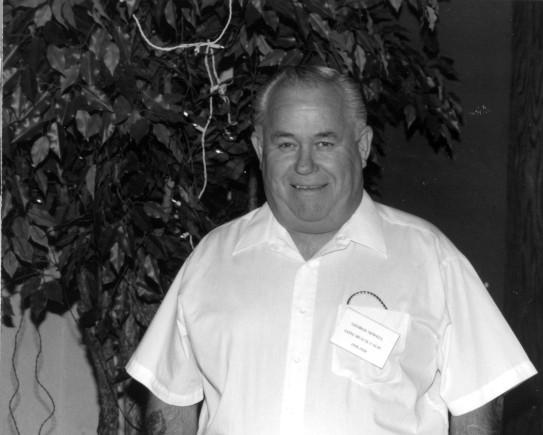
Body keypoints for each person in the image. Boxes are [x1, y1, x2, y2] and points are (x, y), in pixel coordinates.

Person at [126, 66, 536, 435]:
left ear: (362, 146)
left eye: (324, 142)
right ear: (260, 149)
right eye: (286, 144)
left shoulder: (430, 257)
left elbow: (477, 407)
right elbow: (170, 398)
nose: (305, 165)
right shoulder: (212, 258)